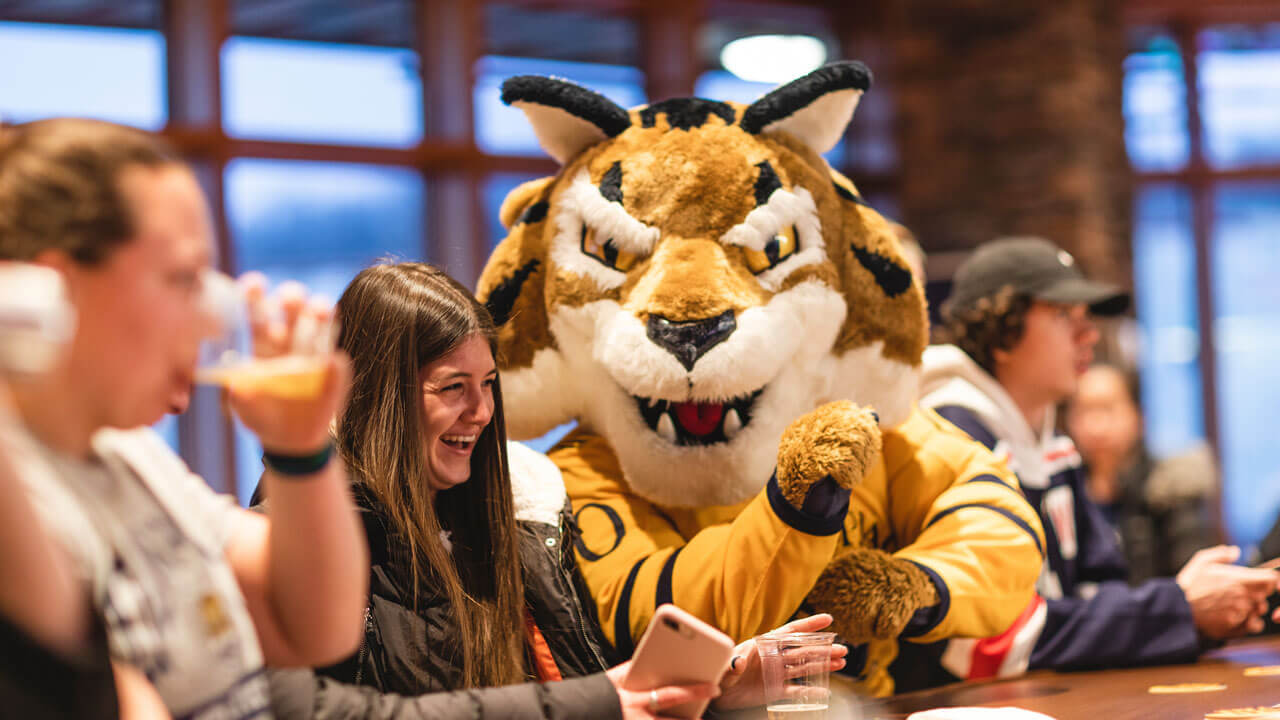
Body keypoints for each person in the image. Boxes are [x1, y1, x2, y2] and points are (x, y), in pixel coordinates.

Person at [260, 262, 847, 720]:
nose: (482, 412)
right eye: (453, 387)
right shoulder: (300, 537)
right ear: (380, 396)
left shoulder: (525, 510)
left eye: (489, 383)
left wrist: (715, 686)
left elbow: (574, 685)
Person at [0, 117, 369, 719]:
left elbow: (316, 628)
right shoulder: (21, 496)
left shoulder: (129, 454)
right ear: (55, 285)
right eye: (182, 278)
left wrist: (299, 448)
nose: (207, 323)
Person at [894, 236, 1280, 689]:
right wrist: (1177, 607)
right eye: (1063, 316)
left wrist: (1208, 611)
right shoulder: (950, 439)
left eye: (1084, 318)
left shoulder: (1049, 440)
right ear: (1000, 334)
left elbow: (1099, 589)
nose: (1088, 334)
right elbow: (985, 645)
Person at [1066, 363, 1217, 583]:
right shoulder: (1063, 491)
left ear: (1138, 417)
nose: (1095, 426)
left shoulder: (1169, 487)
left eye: (1107, 409)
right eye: (1083, 411)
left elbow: (1195, 579)